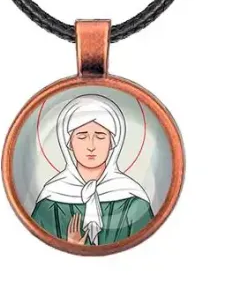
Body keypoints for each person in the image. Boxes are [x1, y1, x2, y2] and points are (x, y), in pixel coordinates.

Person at [31, 94, 154, 246]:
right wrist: (71, 247)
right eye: (82, 137)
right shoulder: (50, 200)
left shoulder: (134, 201)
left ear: (112, 143)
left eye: (100, 137)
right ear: (69, 143)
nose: (91, 146)